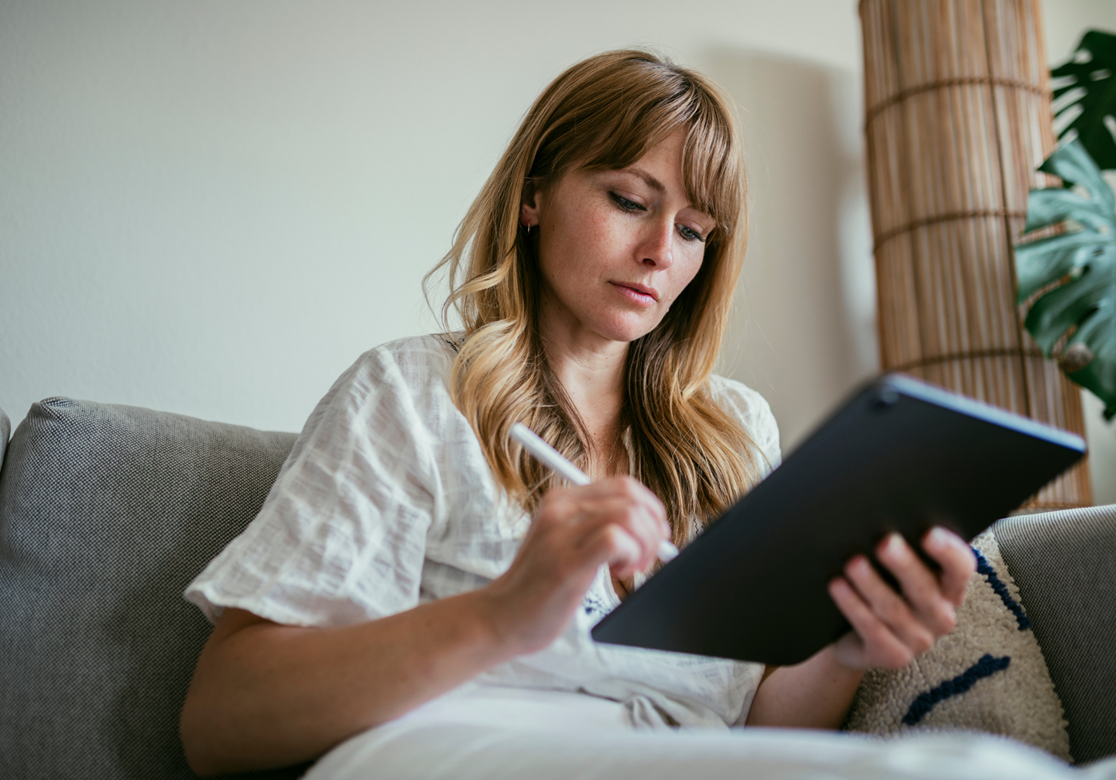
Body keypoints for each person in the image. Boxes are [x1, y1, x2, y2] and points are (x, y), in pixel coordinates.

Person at [178, 49, 978, 778]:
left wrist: (844, 651)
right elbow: (219, 722)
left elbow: (755, 723)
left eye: (695, 230)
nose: (663, 250)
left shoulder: (738, 435)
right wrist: (499, 615)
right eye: (630, 200)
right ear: (534, 195)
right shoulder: (413, 394)